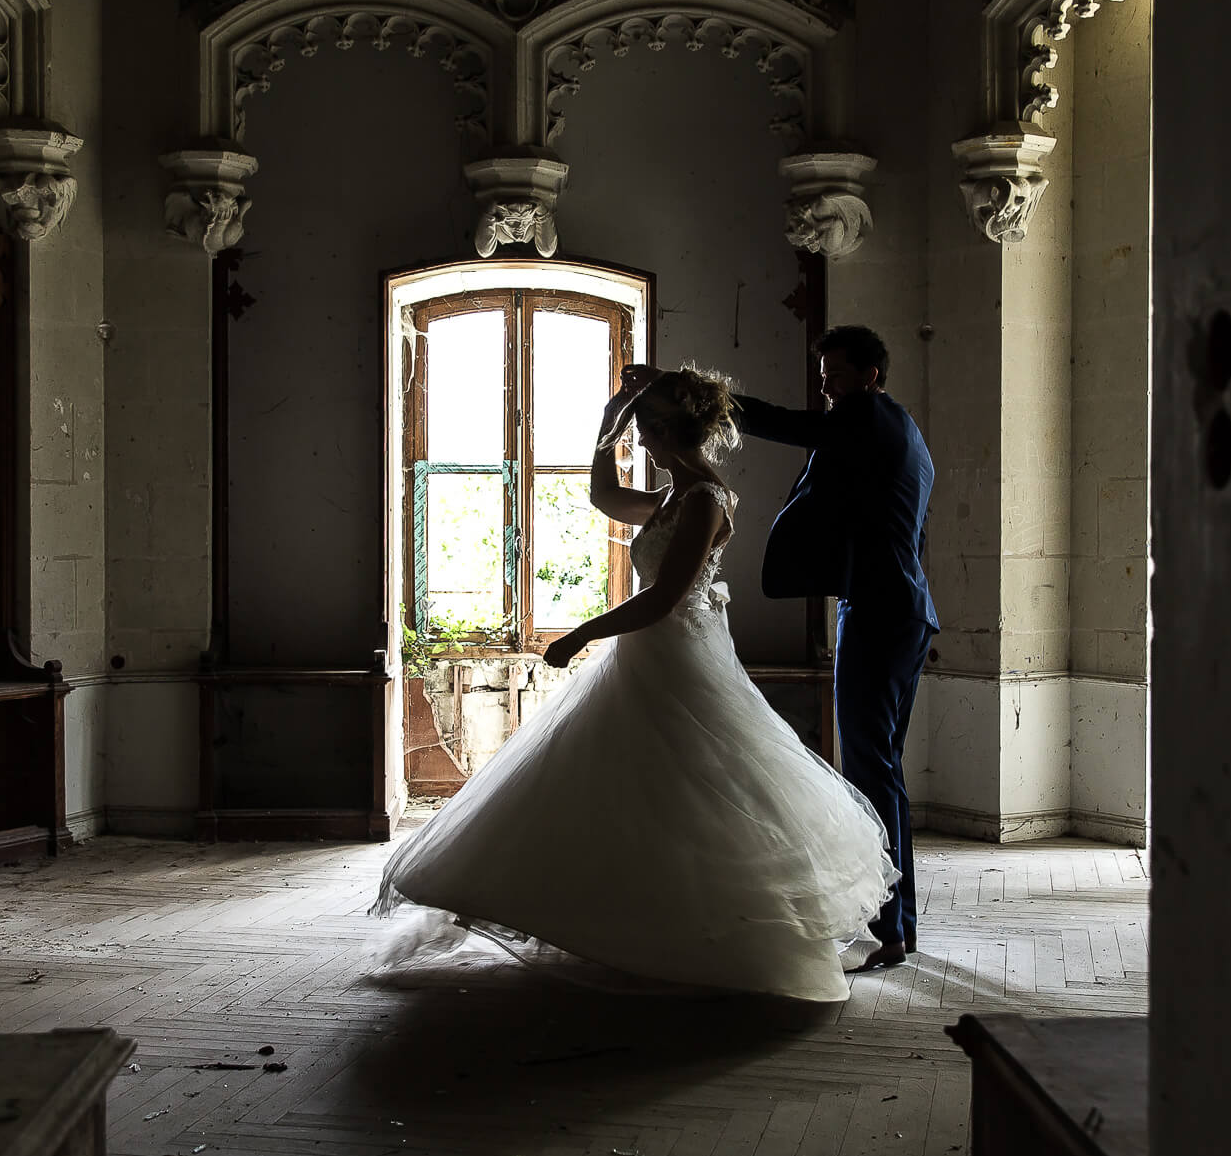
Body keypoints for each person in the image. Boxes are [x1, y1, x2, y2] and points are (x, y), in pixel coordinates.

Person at [372, 364, 900, 1003]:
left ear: (673, 430)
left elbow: (665, 599)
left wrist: (579, 633)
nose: (642, 441)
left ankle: (711, 936)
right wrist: (609, 422)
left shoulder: (705, 499)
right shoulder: (674, 497)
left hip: (680, 654)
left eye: (648, 428)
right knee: (637, 788)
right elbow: (604, 498)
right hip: (650, 655)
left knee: (695, 789)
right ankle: (635, 926)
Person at [730, 325, 939, 971]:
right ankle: (898, 925)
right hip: (907, 609)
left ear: (871, 374)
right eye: (824, 372)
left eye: (836, 372)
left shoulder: (864, 419)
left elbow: (788, 426)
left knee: (870, 773)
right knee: (886, 771)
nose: (826, 383)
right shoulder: (906, 432)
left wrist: (702, 395)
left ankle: (891, 928)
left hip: (876, 613)